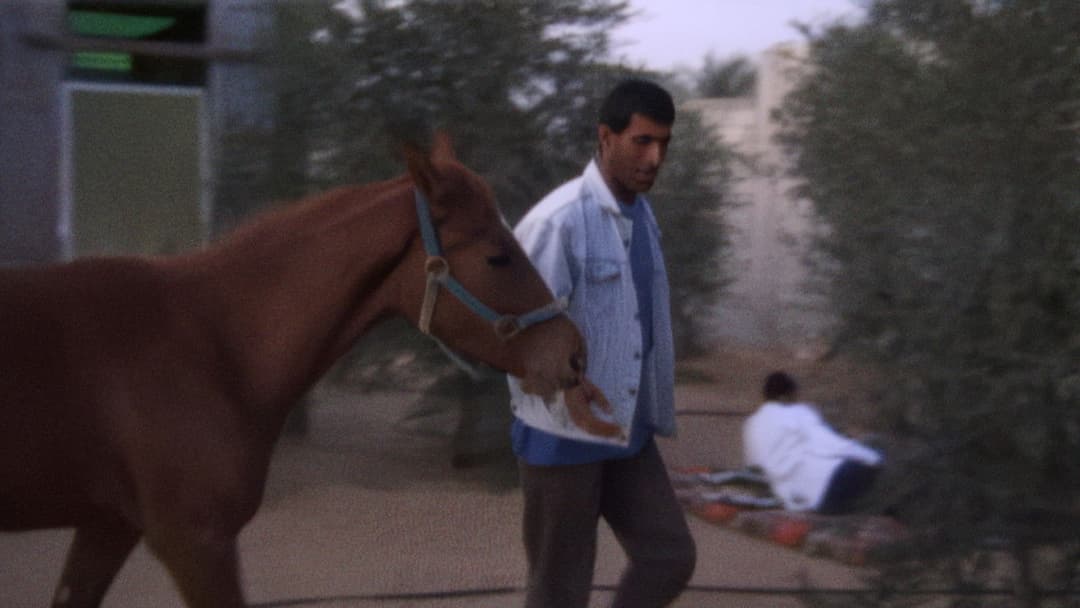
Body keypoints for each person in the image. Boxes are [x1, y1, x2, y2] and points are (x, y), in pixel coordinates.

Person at [506, 79, 695, 608]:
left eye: (664, 143)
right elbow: (518, 337)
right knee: (560, 589)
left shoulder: (642, 214)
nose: (655, 157)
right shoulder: (559, 220)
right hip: (562, 437)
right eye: (642, 141)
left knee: (669, 555)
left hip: (626, 428)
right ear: (605, 137)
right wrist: (568, 390)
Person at [742, 371, 883, 515]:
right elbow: (828, 444)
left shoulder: (751, 424)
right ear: (786, 395)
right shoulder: (796, 413)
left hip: (796, 498)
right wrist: (872, 457)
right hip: (828, 483)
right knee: (876, 455)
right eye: (794, 395)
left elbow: (755, 466)